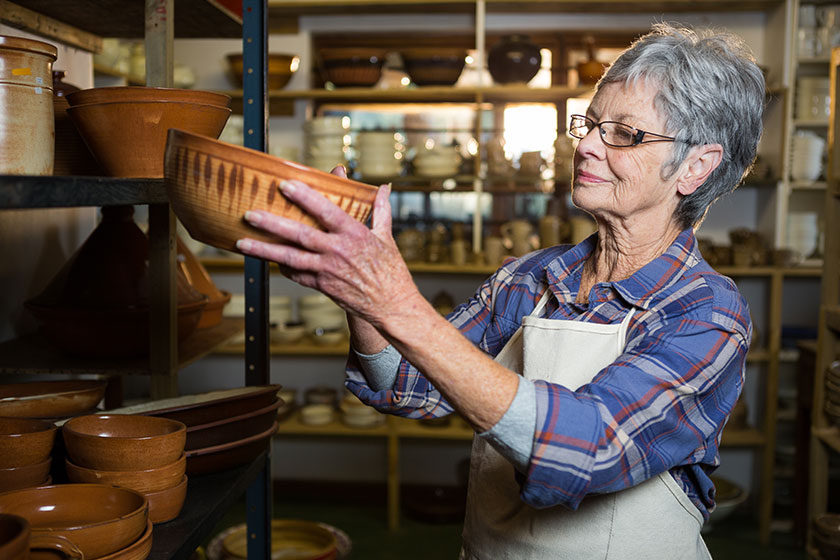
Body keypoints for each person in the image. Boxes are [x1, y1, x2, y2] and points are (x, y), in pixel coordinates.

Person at [236, 22, 763, 560]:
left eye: (624, 134)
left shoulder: (707, 312)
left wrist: (395, 303)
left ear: (695, 168)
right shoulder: (531, 278)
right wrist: (359, 296)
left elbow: (591, 447)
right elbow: (406, 384)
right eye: (588, 124)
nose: (585, 146)